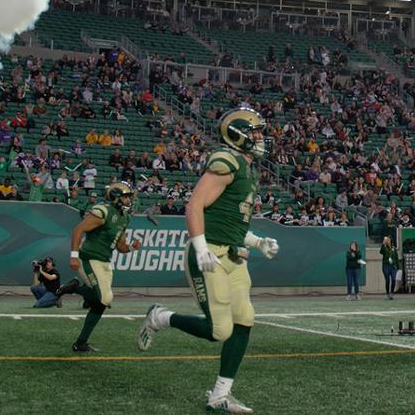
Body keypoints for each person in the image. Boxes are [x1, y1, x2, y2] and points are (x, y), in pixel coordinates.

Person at [138, 108, 279, 415]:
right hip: (210, 253)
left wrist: (257, 242)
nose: (260, 138)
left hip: (234, 255)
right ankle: (161, 316)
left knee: (245, 320)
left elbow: (231, 221)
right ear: (238, 134)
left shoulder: (248, 167)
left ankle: (220, 395)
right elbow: (195, 205)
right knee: (220, 331)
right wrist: (201, 247)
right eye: (254, 132)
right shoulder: (227, 161)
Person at [62, 181, 145, 351]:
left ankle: (80, 343)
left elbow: (120, 246)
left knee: (101, 303)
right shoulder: (103, 211)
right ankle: (74, 288)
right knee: (104, 298)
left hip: (105, 261)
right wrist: (74, 256)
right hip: (89, 258)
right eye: (127, 196)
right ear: (116, 196)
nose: (130, 200)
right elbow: (78, 230)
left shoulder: (125, 217)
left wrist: (131, 247)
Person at [379, 234, 398, 299]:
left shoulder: (394, 248)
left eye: (388, 240)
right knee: (387, 280)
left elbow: (396, 258)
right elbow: (381, 252)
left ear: (391, 241)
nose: (388, 241)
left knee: (393, 279)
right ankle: (387, 293)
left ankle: (392, 293)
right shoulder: (384, 247)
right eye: (387, 240)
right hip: (386, 266)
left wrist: (397, 267)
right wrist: (383, 244)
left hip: (393, 266)